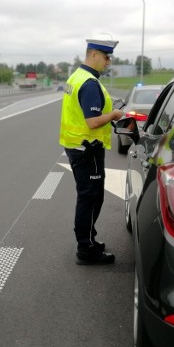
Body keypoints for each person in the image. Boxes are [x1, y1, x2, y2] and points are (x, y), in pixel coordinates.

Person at [59, 35, 124, 265]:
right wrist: (115, 114)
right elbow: (93, 121)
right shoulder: (88, 83)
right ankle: (86, 248)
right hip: (88, 150)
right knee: (91, 198)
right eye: (106, 57)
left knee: (89, 197)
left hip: (78, 147)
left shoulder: (77, 77)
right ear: (93, 54)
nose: (108, 62)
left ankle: (88, 240)